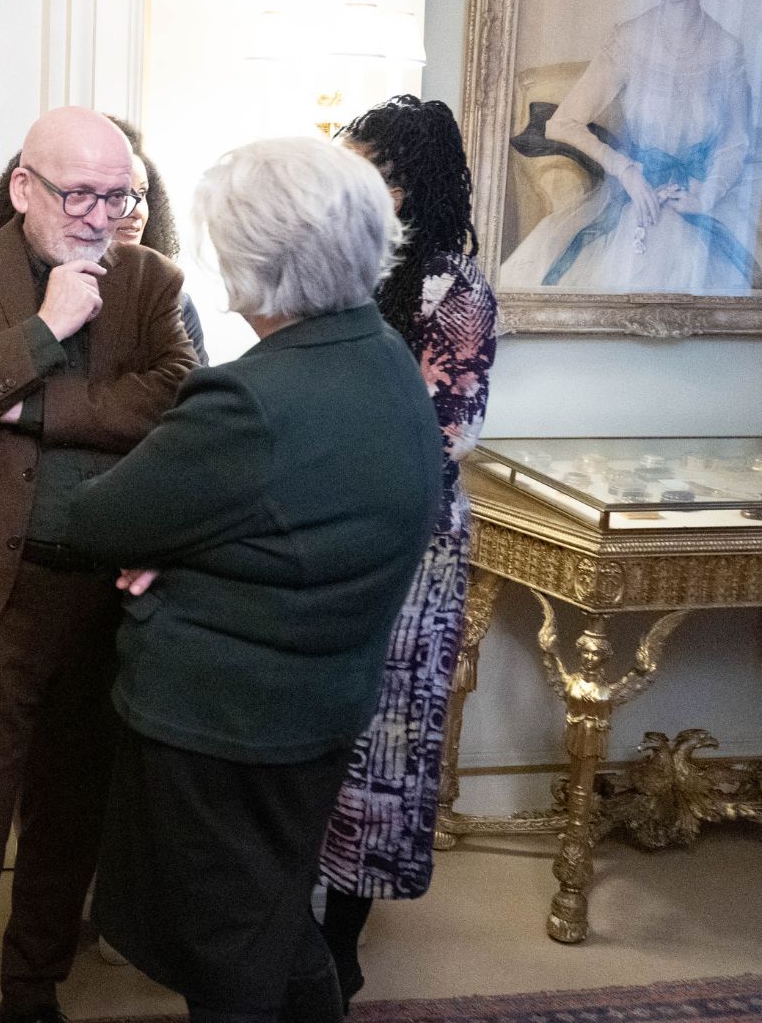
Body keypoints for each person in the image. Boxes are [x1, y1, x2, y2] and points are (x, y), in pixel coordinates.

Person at [68, 136, 442, 1023]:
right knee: (276, 925)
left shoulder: (250, 399)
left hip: (224, 728)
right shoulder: (383, 357)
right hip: (318, 708)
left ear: (258, 258)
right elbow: (302, 521)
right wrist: (193, 536)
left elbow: (96, 522)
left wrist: (175, 539)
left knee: (226, 957)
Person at [0, 106, 197, 1023]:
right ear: (25, 188)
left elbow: (173, 404)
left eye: (120, 195)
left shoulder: (153, 283)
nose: (102, 214)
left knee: (69, 826)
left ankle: (31, 993)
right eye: (81, 194)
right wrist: (44, 327)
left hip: (103, 598)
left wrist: (16, 403)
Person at [316, 95, 497, 1011]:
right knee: (316, 731)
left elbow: (443, 429)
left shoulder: (453, 292)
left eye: (372, 169)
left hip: (409, 544)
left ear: (409, 184)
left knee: (385, 744)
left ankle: (340, 945)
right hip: (319, 532)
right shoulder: (338, 275)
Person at [501, 0, 754, 292]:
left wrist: (706, 195)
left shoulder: (728, 50)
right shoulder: (630, 39)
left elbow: (736, 142)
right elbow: (562, 122)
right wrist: (625, 169)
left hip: (699, 193)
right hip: (636, 192)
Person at [0, 119, 207, 363]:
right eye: (81, 194)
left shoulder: (169, 294)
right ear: (25, 191)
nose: (131, 210)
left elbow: (182, 390)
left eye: (132, 194)